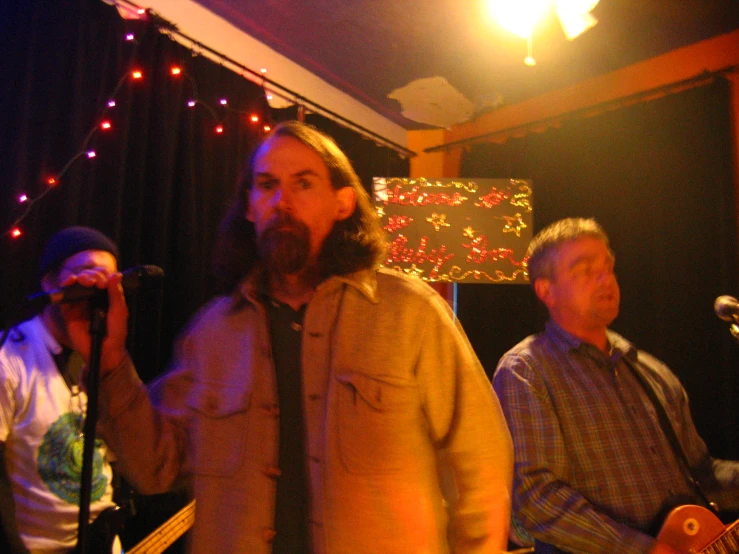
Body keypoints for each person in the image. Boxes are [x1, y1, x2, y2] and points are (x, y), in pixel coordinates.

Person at [67, 121, 513, 553]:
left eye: (303, 184)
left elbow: (482, 463)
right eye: (266, 185)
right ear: (249, 206)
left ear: (342, 203)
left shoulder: (409, 313)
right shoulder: (212, 334)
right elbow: (155, 469)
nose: (282, 201)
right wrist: (108, 360)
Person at [492, 217, 739, 554]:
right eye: (584, 270)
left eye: (608, 267)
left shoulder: (650, 370)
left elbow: (701, 473)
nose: (604, 278)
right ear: (545, 290)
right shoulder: (527, 370)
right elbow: (536, 498)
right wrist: (640, 549)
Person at [0, 226, 122, 554]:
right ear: (49, 282)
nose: (97, 285)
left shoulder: (104, 356)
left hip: (104, 541)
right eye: (85, 273)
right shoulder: (8, 358)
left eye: (108, 277)